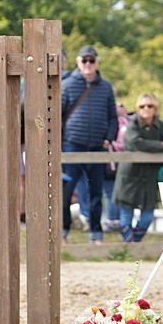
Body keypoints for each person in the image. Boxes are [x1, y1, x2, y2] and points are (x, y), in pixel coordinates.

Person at [61, 44, 118, 244]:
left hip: (97, 147)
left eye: (91, 60)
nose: (88, 64)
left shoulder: (106, 87)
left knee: (96, 193)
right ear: (78, 62)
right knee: (65, 192)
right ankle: (63, 232)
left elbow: (113, 117)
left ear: (97, 63)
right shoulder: (67, 85)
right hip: (72, 145)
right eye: (84, 60)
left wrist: (108, 138)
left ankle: (96, 234)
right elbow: (58, 115)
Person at [112, 94, 163, 242]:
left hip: (149, 176)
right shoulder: (132, 124)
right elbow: (134, 143)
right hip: (130, 176)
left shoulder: (160, 126)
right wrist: (158, 145)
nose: (146, 109)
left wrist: (149, 145)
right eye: (142, 106)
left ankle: (133, 244)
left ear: (155, 108)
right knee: (126, 217)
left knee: (147, 217)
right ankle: (131, 247)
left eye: (149, 106)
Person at [102, 101, 130, 233]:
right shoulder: (128, 124)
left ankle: (113, 220)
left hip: (111, 162)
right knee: (114, 193)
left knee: (110, 193)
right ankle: (116, 220)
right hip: (119, 163)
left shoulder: (109, 122)